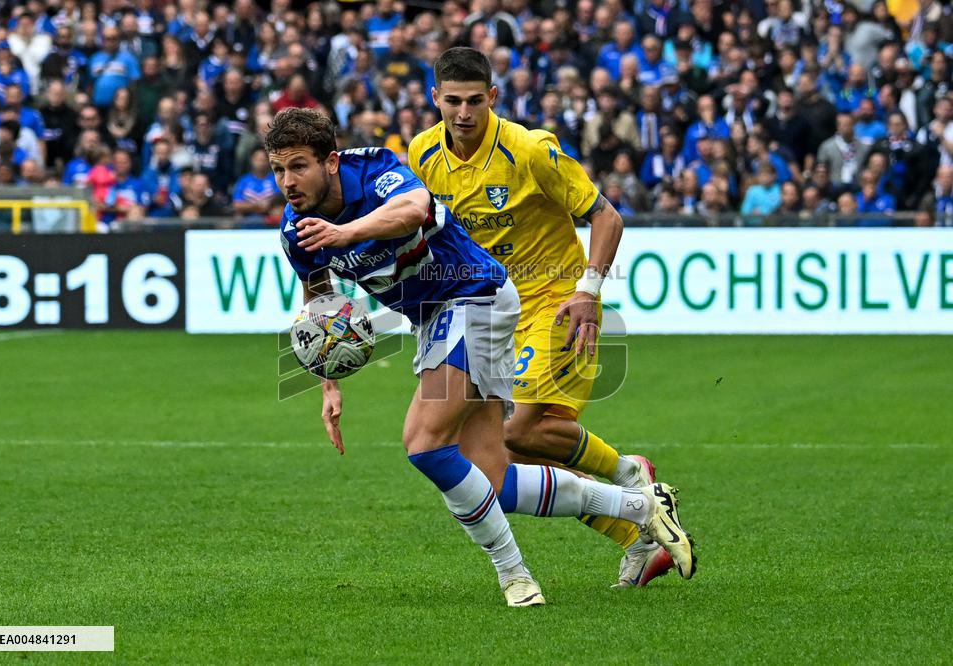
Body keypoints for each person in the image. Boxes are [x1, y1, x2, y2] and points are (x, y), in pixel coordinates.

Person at [270, 108, 696, 606]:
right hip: (434, 318)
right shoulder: (295, 228)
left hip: (475, 295)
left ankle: (514, 576)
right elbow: (319, 301)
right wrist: (328, 383)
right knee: (491, 477)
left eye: (298, 166)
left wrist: (347, 232)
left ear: (332, 162)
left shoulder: (375, 169)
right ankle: (640, 507)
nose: (287, 181)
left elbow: (414, 208)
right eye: (278, 170)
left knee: (424, 443)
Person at [408, 47, 692, 588]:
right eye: (452, 101)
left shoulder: (530, 150)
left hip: (556, 301)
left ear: (492, 97)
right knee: (512, 448)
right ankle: (636, 530)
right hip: (488, 311)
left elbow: (606, 215)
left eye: (474, 101)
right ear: (434, 99)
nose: (463, 113)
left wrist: (588, 291)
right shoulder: (423, 154)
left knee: (519, 432)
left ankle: (631, 476)